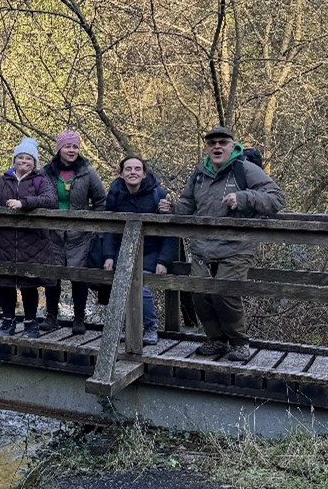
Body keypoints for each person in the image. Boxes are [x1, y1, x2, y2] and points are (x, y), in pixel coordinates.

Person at [160, 126, 284, 361]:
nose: (217, 147)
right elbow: (188, 205)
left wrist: (244, 197)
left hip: (237, 246)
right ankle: (216, 340)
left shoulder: (244, 169)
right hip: (203, 247)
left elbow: (276, 199)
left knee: (224, 294)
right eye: (212, 143)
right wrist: (172, 208)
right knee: (200, 293)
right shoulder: (200, 173)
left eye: (222, 143)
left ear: (232, 146)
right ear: (206, 147)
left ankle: (239, 343)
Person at [0, 138, 59, 336]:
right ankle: (8, 321)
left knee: (29, 284)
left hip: (33, 242)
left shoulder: (40, 180)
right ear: (14, 160)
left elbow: (51, 199)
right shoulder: (2, 180)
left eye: (28, 159)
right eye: (20, 157)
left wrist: (24, 203)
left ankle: (30, 323)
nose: (23, 161)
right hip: (4, 241)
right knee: (4, 282)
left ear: (34, 163)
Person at [102, 156, 177, 345]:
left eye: (137, 169)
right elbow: (109, 227)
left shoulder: (158, 194)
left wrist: (164, 260)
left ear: (144, 174)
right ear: (121, 173)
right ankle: (129, 328)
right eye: (128, 169)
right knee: (120, 285)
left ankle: (150, 327)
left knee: (140, 286)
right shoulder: (115, 194)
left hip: (151, 251)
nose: (133, 172)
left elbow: (170, 231)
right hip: (124, 250)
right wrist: (109, 255)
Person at [40, 130, 108, 334]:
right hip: (52, 234)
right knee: (52, 275)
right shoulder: (46, 172)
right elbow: (35, 195)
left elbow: (101, 201)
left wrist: (95, 227)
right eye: (67, 146)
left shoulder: (88, 172)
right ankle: (51, 316)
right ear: (59, 149)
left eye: (75, 147)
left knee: (79, 277)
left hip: (80, 235)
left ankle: (79, 319)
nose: (71, 150)